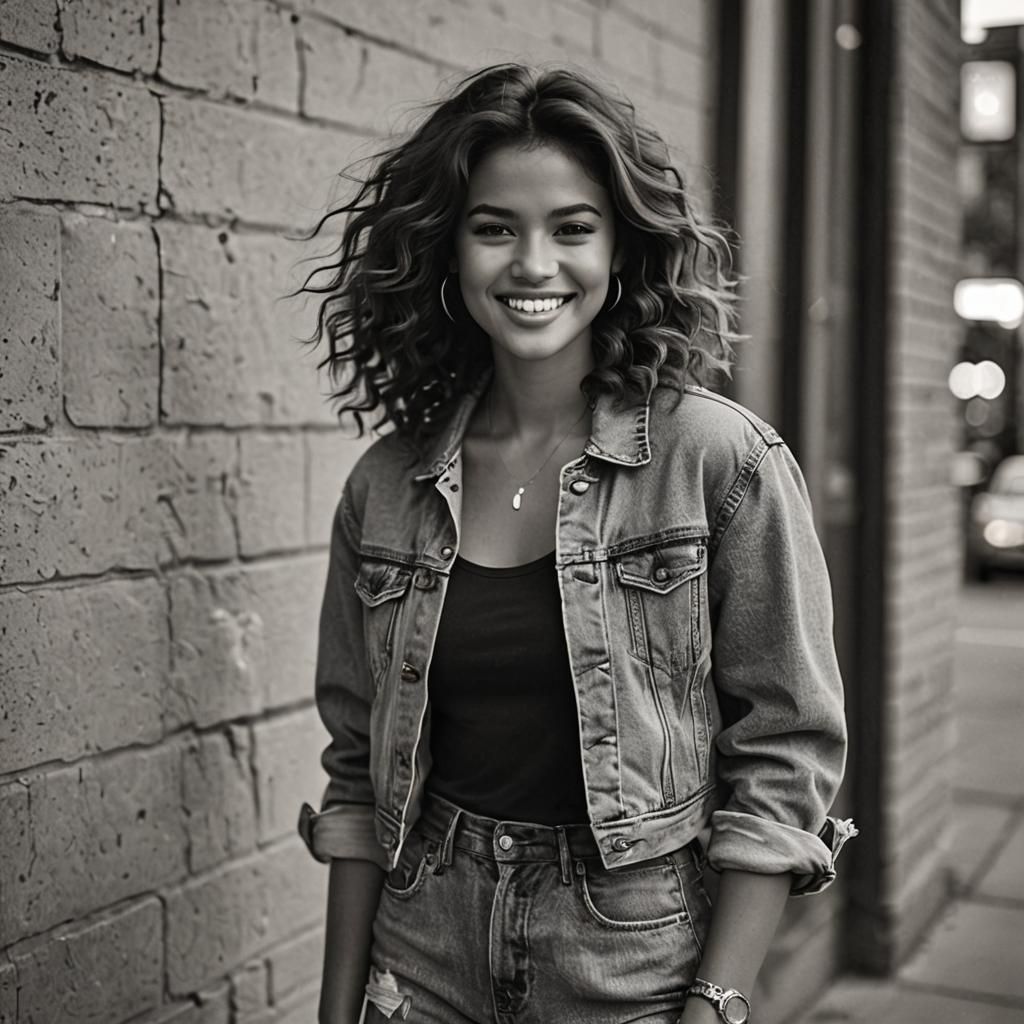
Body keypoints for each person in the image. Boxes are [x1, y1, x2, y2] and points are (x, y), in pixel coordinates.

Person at [297, 63, 856, 1024]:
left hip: (629, 957)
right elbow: (356, 773)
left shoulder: (716, 461)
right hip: (419, 950)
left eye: (572, 228)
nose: (533, 263)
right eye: (494, 228)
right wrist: (336, 1007)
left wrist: (718, 1001)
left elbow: (785, 751)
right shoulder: (387, 487)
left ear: (621, 250)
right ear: (448, 250)